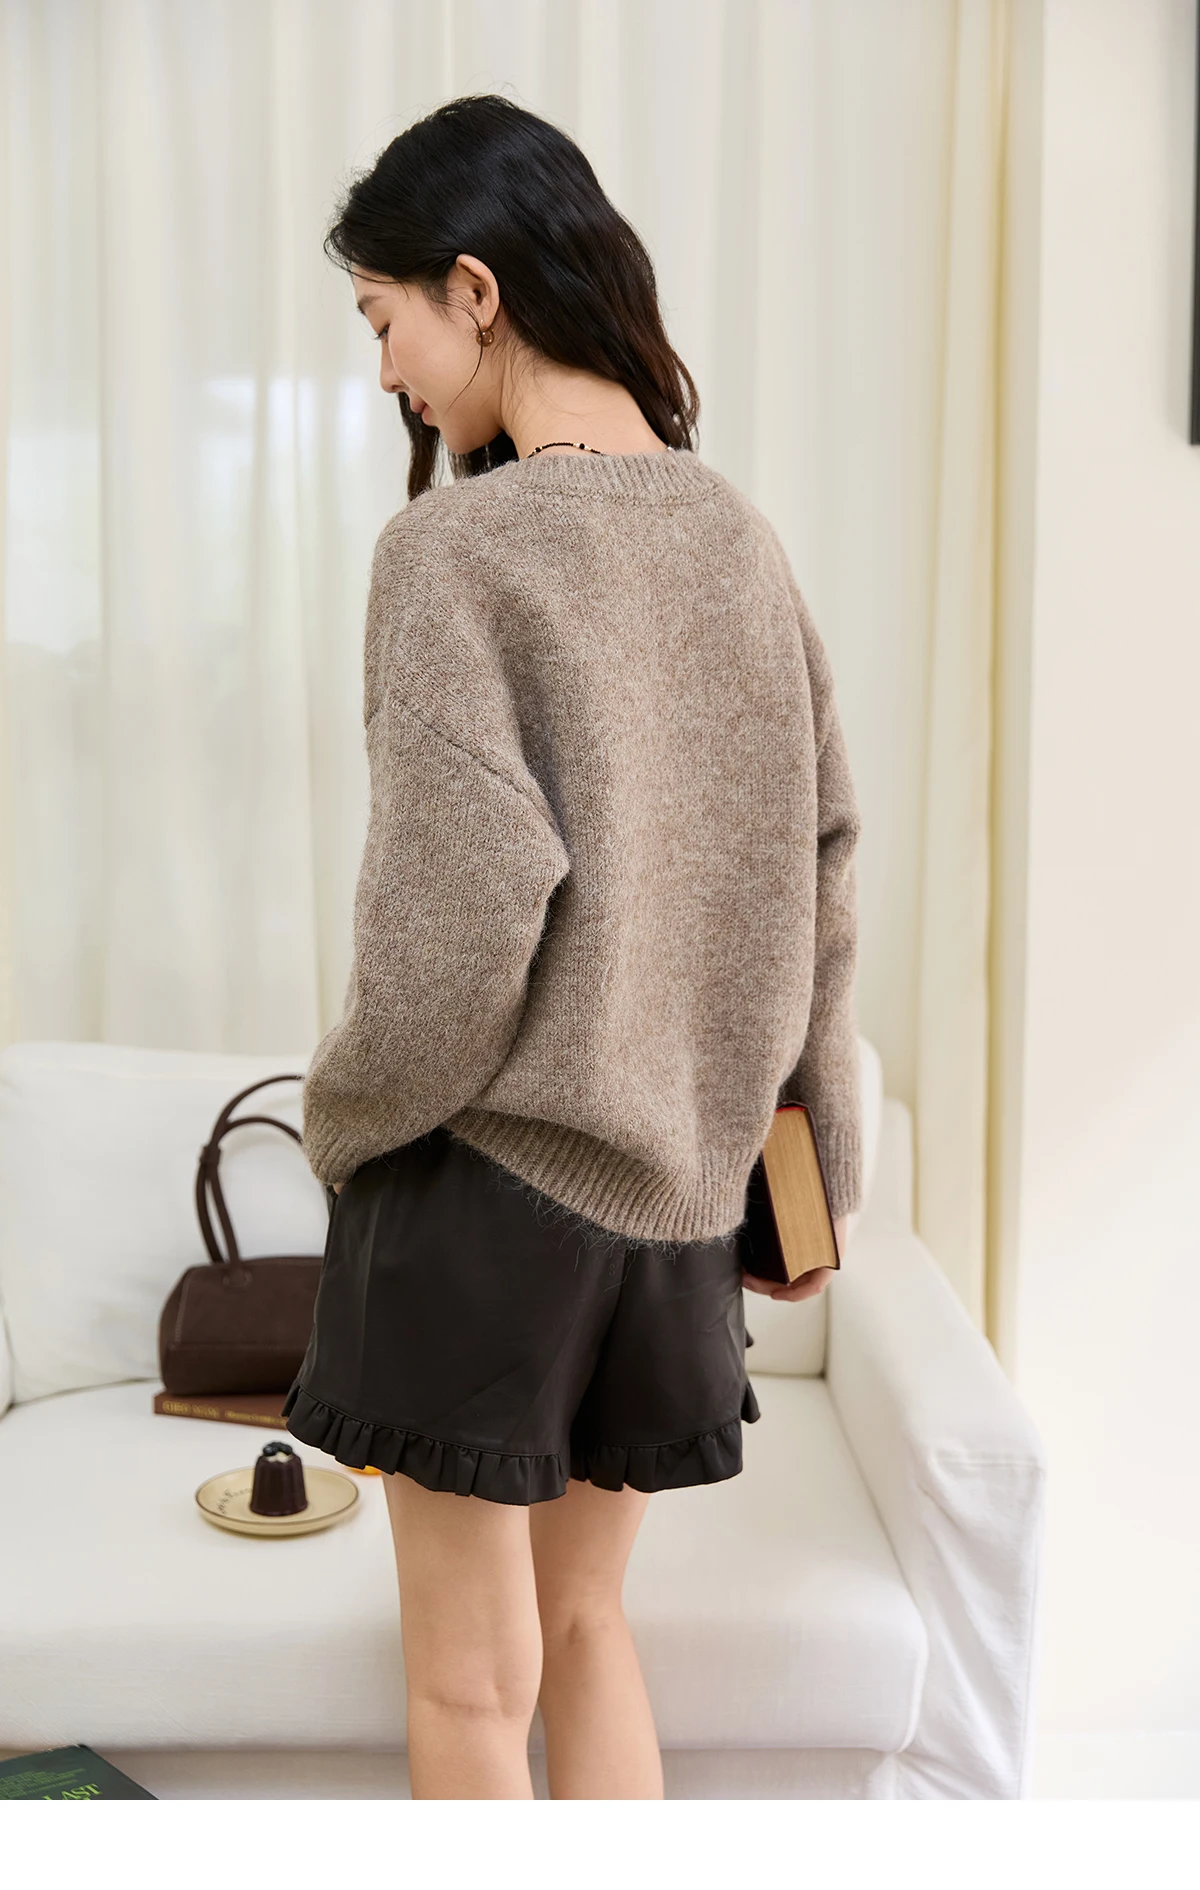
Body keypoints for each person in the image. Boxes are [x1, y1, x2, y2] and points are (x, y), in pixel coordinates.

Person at [282, 93, 863, 1801]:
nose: (385, 372)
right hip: (677, 1209)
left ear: (474, 291)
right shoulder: (740, 540)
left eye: (382, 320)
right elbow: (822, 870)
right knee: (589, 1630)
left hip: (488, 1203)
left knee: (469, 1690)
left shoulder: (452, 551)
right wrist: (812, 1174)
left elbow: (460, 922)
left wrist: (344, 1116)